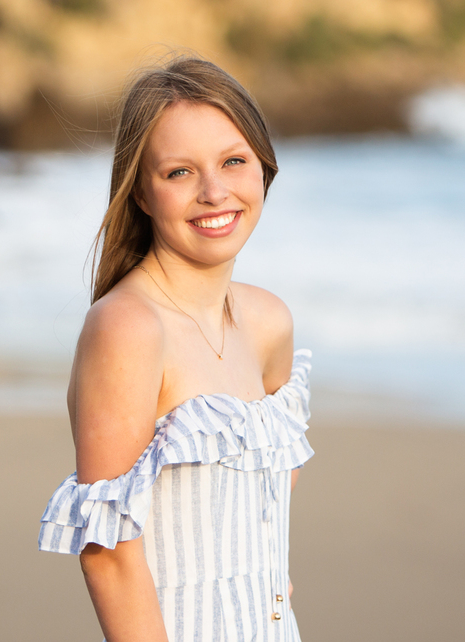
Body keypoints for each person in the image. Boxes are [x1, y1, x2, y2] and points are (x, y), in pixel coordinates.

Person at [38, 55, 313, 642]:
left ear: (263, 169)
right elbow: (108, 554)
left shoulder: (269, 321)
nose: (215, 192)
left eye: (234, 161)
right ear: (140, 190)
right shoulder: (128, 328)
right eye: (180, 172)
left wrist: (270, 589)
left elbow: (271, 479)